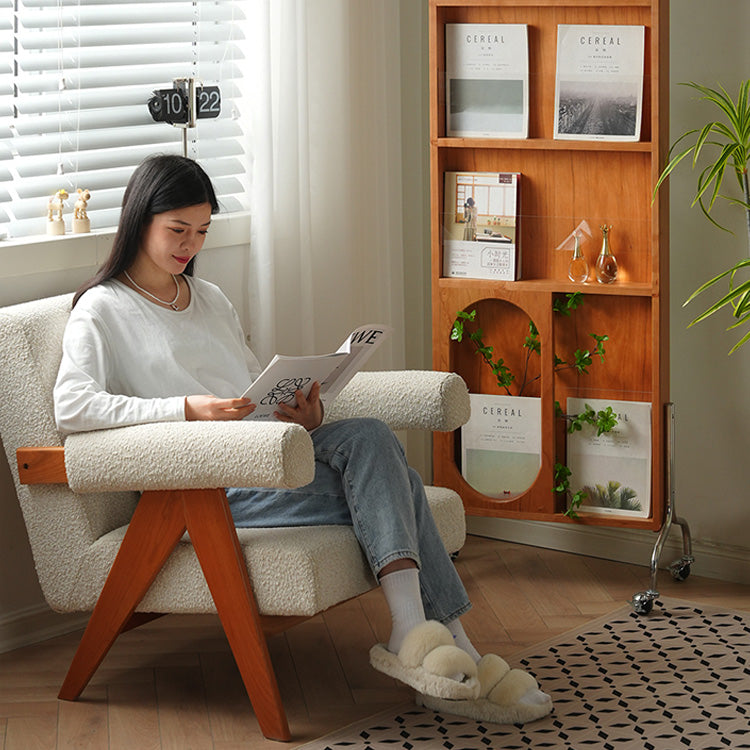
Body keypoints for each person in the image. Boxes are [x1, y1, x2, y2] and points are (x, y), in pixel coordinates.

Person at [53, 154, 552, 725]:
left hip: (264, 459)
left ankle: (429, 643)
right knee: (398, 478)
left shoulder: (210, 298)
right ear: (140, 219)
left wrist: (299, 416)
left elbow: (247, 391)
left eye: (201, 232)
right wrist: (186, 409)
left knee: (370, 444)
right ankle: (450, 646)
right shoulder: (102, 310)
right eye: (177, 230)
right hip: (198, 488)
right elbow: (72, 407)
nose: (189, 245)